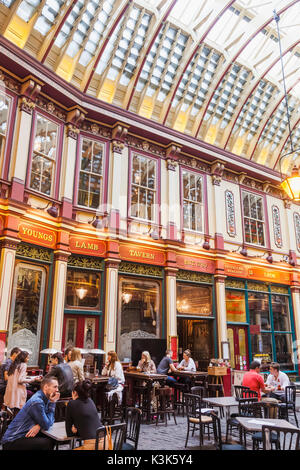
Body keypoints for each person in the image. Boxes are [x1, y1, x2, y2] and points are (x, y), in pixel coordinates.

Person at [1, 376, 60, 450]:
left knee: (51, 439)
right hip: (12, 441)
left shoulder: (45, 398)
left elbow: (51, 421)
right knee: (47, 442)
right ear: (46, 387)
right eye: (55, 387)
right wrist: (53, 403)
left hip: (24, 435)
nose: (57, 390)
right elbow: (47, 424)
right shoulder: (37, 401)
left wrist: (39, 425)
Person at [65, 379, 102, 450]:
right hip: (106, 442)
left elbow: (69, 434)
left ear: (74, 393)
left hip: (92, 446)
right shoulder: (91, 401)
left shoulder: (71, 404)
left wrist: (75, 431)